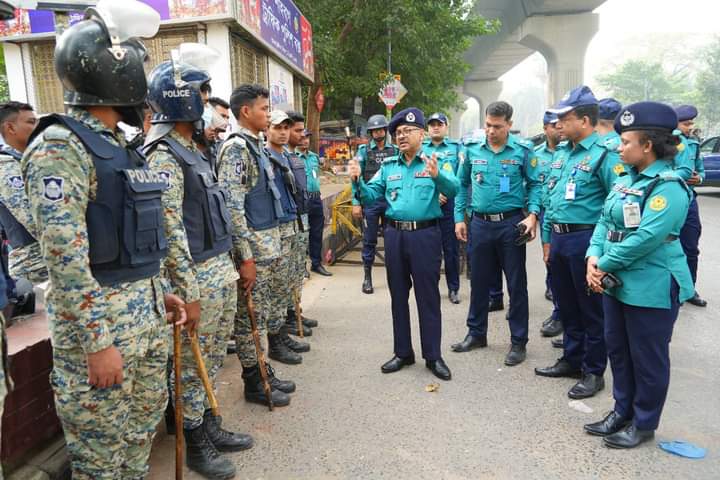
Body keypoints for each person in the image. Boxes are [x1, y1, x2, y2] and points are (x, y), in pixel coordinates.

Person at [20, 2, 187, 476]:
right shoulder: (60, 146)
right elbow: (65, 259)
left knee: (136, 445)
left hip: (146, 325)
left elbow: (126, 234)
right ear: (121, 75)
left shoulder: (120, 145)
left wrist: (160, 293)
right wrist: (97, 343)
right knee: (100, 462)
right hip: (105, 338)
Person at [144, 57, 252, 479]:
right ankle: (193, 442)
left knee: (207, 359)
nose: (209, 105)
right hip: (193, 278)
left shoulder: (195, 150)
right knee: (190, 365)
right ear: (182, 101)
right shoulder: (163, 154)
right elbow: (170, 232)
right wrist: (188, 292)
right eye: (203, 97)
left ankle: (210, 424)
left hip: (217, 268)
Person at [584, 102, 693, 448]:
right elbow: (604, 221)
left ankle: (644, 422)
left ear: (647, 145)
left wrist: (603, 264)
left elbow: (646, 238)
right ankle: (622, 411)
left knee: (647, 356)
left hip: (652, 282)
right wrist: (592, 255)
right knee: (618, 349)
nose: (619, 147)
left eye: (626, 141)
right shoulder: (623, 179)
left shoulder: (668, 185)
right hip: (619, 280)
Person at [349, 107, 459, 381]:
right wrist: (356, 180)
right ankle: (403, 352)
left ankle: (433, 356)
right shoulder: (389, 167)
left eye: (407, 131)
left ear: (421, 133)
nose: (401, 136)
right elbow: (371, 194)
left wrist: (437, 176)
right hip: (395, 236)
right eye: (397, 132)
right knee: (398, 296)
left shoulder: (436, 160)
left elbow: (454, 189)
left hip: (425, 236)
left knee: (428, 297)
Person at [535, 86, 626, 400]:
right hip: (560, 239)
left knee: (591, 310)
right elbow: (551, 198)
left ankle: (593, 370)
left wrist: (602, 252)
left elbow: (616, 205)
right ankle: (572, 360)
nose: (559, 123)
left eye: (566, 117)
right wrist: (547, 239)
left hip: (586, 239)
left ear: (586, 120)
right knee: (567, 306)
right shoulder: (562, 153)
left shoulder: (604, 154)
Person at [217, 84, 294, 407]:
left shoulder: (255, 146)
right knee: (249, 320)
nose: (268, 114)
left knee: (259, 318)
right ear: (246, 111)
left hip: (268, 247)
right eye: (264, 108)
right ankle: (253, 380)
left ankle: (262, 368)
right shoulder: (236, 149)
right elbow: (233, 208)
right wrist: (245, 257)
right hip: (253, 254)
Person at [451, 101, 542, 366]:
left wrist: (533, 215)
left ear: (509, 126)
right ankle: (476, 333)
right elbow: (461, 184)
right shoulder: (471, 151)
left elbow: (535, 185)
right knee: (478, 281)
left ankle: (518, 341)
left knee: (516, 284)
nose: (491, 131)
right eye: (488, 125)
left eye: (498, 126)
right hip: (479, 224)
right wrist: (460, 218)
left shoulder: (523, 151)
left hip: (510, 224)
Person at [264, 110, 309, 361]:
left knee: (286, 284)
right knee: (276, 289)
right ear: (267, 129)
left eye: (286, 128)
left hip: (292, 223)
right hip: (276, 229)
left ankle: (281, 334)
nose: (282, 132)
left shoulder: (286, 156)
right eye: (277, 127)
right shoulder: (265, 157)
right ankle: (275, 340)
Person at [0, 101, 47, 283]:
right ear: (10, 128)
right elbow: (32, 216)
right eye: (30, 122)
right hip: (35, 265)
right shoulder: (6, 166)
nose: (37, 128)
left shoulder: (25, 160)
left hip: (44, 261)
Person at [353, 114, 398, 294]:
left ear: (385, 131)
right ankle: (367, 277)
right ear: (371, 132)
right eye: (374, 130)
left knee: (392, 241)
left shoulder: (395, 150)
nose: (378, 133)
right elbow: (355, 177)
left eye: (380, 129)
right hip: (370, 201)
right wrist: (356, 202)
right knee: (369, 240)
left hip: (390, 200)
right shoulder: (363, 151)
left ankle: (394, 277)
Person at [422, 112, 462, 304]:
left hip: (450, 206)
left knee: (451, 249)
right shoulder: (420, 149)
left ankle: (453, 288)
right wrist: (435, 194)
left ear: (446, 127)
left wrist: (446, 192)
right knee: (430, 250)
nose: (435, 127)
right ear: (427, 129)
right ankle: (431, 289)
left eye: (440, 124)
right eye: (432, 125)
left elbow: (460, 178)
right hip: (428, 205)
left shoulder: (456, 148)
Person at [285, 113, 320, 334]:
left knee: (298, 270)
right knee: (288, 273)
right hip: (288, 223)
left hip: (302, 218)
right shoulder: (280, 157)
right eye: (297, 131)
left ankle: (295, 310)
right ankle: (288, 317)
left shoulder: (296, 158)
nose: (302, 136)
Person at [674, 105, 706, 307]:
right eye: (686, 123)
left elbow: (700, 171)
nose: (689, 127)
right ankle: (670, 288)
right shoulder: (667, 142)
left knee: (690, 247)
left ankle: (688, 289)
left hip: (689, 199)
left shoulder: (693, 145)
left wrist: (699, 179)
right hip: (668, 199)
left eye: (691, 123)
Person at [536, 111, 563, 340]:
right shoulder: (537, 155)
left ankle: (562, 313)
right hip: (547, 212)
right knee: (551, 259)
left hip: (572, 218)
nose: (559, 128)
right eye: (555, 125)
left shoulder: (569, 153)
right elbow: (534, 185)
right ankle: (559, 308)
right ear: (546, 128)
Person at [297, 128, 326, 292]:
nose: (304, 141)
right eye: (301, 138)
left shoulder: (314, 157)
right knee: (303, 234)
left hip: (316, 197)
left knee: (317, 232)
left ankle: (316, 263)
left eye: (307, 138)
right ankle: (302, 266)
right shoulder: (294, 157)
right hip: (303, 198)